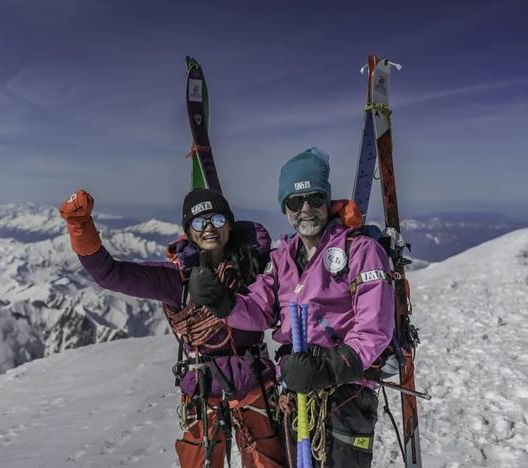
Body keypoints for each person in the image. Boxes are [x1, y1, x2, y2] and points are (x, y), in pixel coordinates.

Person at [189, 147, 395, 467]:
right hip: (294, 392)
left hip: (344, 393)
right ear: (285, 208)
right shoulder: (283, 257)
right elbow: (259, 310)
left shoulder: (360, 251)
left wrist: (327, 368)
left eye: (314, 198)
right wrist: (223, 302)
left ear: (327, 200)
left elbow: (375, 327)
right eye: (295, 202)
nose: (306, 209)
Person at [59, 187, 286, 468]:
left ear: (229, 223)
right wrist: (80, 226)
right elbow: (110, 274)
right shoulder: (176, 279)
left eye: (216, 220)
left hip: (250, 379)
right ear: (188, 231)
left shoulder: (257, 265)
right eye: (199, 223)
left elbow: (305, 269)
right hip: (213, 384)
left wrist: (339, 237)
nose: (209, 229)